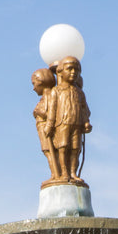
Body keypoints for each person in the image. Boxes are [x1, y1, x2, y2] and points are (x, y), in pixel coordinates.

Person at [44, 55, 91, 184]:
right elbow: (52, 110)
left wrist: (86, 122)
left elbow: (84, 109)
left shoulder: (79, 93)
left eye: (76, 70)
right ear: (60, 71)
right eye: (69, 69)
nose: (73, 72)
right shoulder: (56, 91)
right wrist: (49, 125)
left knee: (75, 148)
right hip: (62, 123)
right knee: (63, 146)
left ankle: (72, 172)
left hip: (77, 123)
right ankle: (64, 172)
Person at [31, 67, 58, 183]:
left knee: (51, 151)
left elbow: (50, 113)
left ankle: (56, 174)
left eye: (34, 83)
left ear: (41, 81)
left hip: (45, 127)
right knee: (47, 152)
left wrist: (38, 112)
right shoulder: (45, 97)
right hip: (41, 128)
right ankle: (55, 174)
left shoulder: (49, 96)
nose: (33, 88)